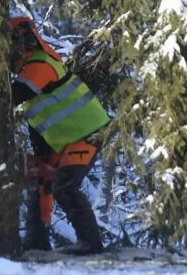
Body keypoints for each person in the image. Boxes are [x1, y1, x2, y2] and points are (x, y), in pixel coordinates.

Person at [8, 16, 110, 255]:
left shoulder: (41, 64)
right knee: (39, 177)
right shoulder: (28, 68)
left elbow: (14, 95)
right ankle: (36, 241)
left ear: (24, 40)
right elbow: (40, 117)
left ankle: (91, 242)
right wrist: (42, 158)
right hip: (65, 139)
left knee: (65, 185)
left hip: (88, 133)